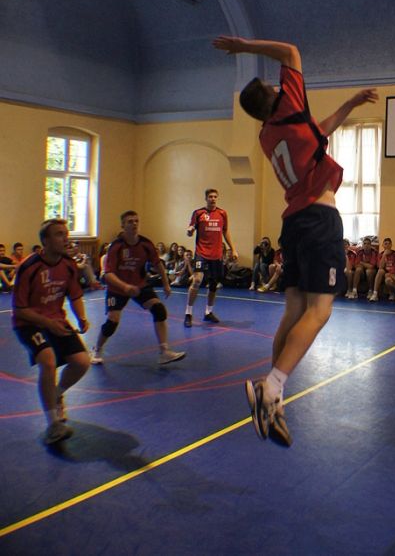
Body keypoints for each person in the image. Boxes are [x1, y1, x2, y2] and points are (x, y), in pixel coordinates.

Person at [214, 34, 377, 447]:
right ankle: (270, 387)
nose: (278, 85)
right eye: (273, 87)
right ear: (274, 97)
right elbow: (290, 51)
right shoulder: (288, 106)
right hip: (320, 219)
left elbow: (319, 131)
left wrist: (350, 105)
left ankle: (276, 398)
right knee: (320, 311)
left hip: (294, 222)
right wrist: (244, 45)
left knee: (294, 310)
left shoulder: (268, 134)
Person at [12, 219, 91, 445]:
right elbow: (20, 309)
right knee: (48, 361)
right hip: (29, 323)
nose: (65, 238)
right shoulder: (29, 267)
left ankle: (56, 394)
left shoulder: (68, 264)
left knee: (82, 362)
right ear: (45, 241)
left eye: (66, 233)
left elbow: (75, 295)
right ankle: (53, 424)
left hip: (56, 320)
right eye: (59, 234)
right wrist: (47, 323)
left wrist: (81, 317)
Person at [91, 211, 185, 366]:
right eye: (130, 221)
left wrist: (166, 284)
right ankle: (97, 349)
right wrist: (125, 287)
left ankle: (164, 352)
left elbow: (158, 264)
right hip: (117, 288)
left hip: (139, 285)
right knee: (112, 321)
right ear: (123, 225)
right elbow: (108, 275)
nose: (134, 224)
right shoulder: (116, 246)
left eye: (136, 221)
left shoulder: (145, 244)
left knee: (159, 310)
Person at [185, 188, 238, 327]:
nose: (213, 199)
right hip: (201, 252)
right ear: (206, 198)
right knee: (197, 280)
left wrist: (233, 249)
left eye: (215, 196)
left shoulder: (222, 213)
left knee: (213, 284)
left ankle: (208, 312)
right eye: (210, 196)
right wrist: (190, 231)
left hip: (217, 255)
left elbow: (225, 231)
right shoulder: (198, 213)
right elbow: (191, 228)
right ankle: (188, 313)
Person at [368, 238, 395, 302]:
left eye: (389, 244)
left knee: (388, 279)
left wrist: (390, 273)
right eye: (386, 244)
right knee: (380, 271)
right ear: (383, 245)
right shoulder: (381, 254)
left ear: (391, 245)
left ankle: (392, 293)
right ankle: (375, 294)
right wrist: (384, 255)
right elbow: (380, 267)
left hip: (393, 274)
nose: (387, 245)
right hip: (385, 273)